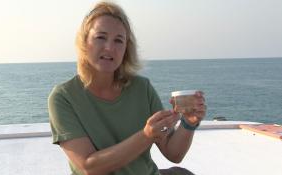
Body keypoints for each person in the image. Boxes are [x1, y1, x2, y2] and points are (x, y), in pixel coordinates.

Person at [48, 1, 206, 175]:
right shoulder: (64, 97)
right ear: (85, 42)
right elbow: (89, 166)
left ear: (126, 49)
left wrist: (188, 124)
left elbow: (173, 153)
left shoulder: (142, 88)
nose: (109, 48)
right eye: (101, 37)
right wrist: (146, 136)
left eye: (118, 40)